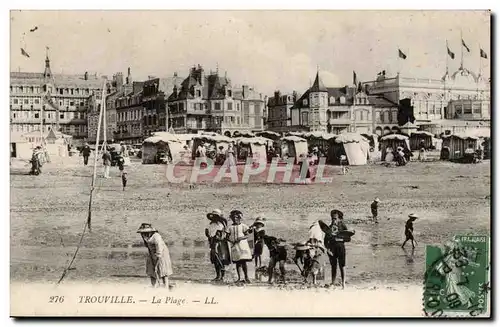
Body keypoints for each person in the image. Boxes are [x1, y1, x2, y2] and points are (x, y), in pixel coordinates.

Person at [319, 209, 351, 289]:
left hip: (341, 248)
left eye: (335, 218)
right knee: (333, 266)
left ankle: (343, 284)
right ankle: (332, 282)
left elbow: (348, 238)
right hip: (332, 249)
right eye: (332, 218)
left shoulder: (342, 226)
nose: (333, 220)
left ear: (340, 219)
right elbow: (325, 241)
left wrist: (340, 239)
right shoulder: (329, 228)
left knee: (342, 266)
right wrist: (328, 250)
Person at [137, 223, 173, 288]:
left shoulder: (156, 236)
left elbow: (159, 247)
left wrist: (158, 257)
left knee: (163, 270)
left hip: (162, 253)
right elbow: (147, 245)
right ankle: (154, 286)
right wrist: (152, 256)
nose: (144, 233)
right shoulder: (144, 236)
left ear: (151, 231)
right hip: (151, 253)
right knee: (151, 269)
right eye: (143, 232)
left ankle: (166, 287)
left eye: (146, 232)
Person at [227, 210, 253, 283]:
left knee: (243, 261)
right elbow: (226, 236)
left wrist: (241, 238)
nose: (235, 219)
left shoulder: (243, 226)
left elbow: (247, 235)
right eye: (233, 217)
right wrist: (231, 240)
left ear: (239, 218)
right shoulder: (230, 227)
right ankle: (239, 278)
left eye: (236, 217)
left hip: (242, 245)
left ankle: (246, 277)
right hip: (234, 245)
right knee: (237, 262)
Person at [204, 209, 231, 282]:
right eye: (214, 216)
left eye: (216, 216)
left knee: (221, 258)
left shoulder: (221, 224)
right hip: (213, 242)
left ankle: (222, 276)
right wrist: (208, 235)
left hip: (221, 243)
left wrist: (219, 236)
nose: (215, 218)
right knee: (215, 259)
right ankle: (218, 275)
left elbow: (225, 233)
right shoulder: (210, 225)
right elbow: (208, 233)